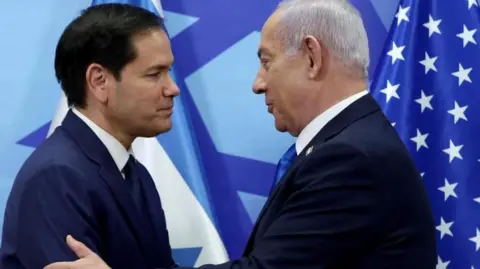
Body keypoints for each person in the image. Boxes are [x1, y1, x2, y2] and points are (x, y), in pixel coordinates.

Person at [44, 0, 437, 268]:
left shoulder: (350, 159)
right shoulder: (352, 143)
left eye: (266, 61)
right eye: (153, 74)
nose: (258, 83)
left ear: (313, 58)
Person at [0, 3, 180, 269]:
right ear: (99, 81)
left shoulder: (134, 174)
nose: (172, 88)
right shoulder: (58, 177)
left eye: (169, 72)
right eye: (155, 74)